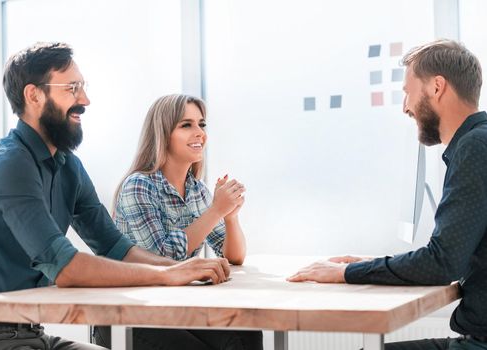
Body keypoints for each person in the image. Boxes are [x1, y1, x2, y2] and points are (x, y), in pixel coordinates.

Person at [0, 42, 230, 350]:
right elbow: (66, 268)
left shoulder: (68, 166)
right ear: (33, 95)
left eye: (83, 87)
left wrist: (176, 268)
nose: (85, 100)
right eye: (72, 88)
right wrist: (167, 275)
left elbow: (114, 246)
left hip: (31, 332)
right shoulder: (10, 164)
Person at [288, 39, 487, 350]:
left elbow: (443, 263)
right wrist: (375, 263)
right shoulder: (478, 142)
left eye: (407, 92)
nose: (405, 106)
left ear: (436, 87)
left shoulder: (475, 148)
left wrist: (345, 273)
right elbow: (455, 256)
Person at [93, 94, 263, 349]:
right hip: (132, 312)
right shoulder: (138, 185)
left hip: (175, 306)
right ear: (163, 134)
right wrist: (216, 211)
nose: (199, 133)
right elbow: (160, 258)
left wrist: (230, 217)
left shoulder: (198, 191)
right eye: (186, 125)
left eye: (201, 124)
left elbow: (234, 257)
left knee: (246, 334)